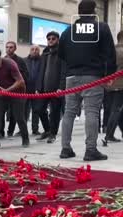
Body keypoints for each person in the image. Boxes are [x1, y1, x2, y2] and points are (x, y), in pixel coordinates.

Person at [59, 0, 116, 161]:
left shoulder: (68, 31)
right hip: (92, 76)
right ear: (94, 11)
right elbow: (109, 53)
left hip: (71, 77)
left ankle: (65, 148)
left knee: (69, 112)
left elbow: (61, 55)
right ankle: (90, 150)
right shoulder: (101, 28)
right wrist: (109, 74)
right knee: (92, 112)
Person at [0, 45, 29, 150]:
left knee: (19, 117)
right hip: (2, 92)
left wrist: (7, 90)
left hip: (17, 93)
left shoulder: (10, 64)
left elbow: (20, 81)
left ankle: (25, 138)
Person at [34, 31, 66, 144]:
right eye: (49, 39)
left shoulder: (62, 53)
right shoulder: (45, 53)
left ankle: (53, 134)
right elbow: (40, 71)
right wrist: (38, 87)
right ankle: (47, 130)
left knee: (55, 113)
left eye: (53, 38)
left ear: (58, 40)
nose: (50, 40)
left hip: (56, 89)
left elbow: (64, 71)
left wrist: (61, 87)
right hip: (43, 89)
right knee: (39, 109)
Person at [4, 41, 29, 136]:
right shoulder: (2, 59)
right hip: (5, 90)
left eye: (11, 47)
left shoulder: (20, 61)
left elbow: (26, 75)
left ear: (15, 49)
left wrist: (16, 78)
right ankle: (0, 132)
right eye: (7, 47)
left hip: (17, 90)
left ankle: (15, 132)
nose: (8, 49)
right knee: (2, 112)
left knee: (16, 113)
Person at [103, 30, 123, 144]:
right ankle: (109, 135)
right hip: (120, 85)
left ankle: (110, 133)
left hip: (109, 85)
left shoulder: (112, 50)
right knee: (116, 110)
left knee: (115, 109)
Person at [24, 45, 42, 135]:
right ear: (29, 50)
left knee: (36, 110)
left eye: (37, 49)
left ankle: (35, 129)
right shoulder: (24, 61)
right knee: (24, 110)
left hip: (37, 89)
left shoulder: (43, 61)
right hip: (26, 89)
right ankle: (22, 130)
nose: (34, 51)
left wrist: (39, 88)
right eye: (32, 49)